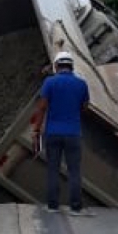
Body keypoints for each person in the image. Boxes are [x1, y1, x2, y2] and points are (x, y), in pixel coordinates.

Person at [32, 51, 92, 216]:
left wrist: (36, 129)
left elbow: (42, 107)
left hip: (53, 133)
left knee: (53, 169)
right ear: (71, 66)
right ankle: (75, 207)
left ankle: (52, 206)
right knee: (74, 171)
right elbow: (85, 108)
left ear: (56, 66)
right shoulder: (81, 84)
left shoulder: (50, 82)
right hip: (73, 133)